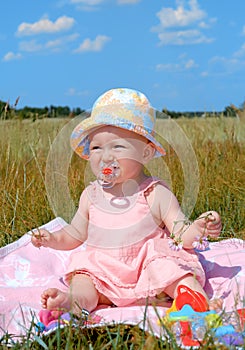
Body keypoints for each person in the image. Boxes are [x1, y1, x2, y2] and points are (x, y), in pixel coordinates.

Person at [31, 88, 222, 315]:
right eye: (96, 147)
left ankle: (193, 299)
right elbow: (75, 233)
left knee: (173, 268)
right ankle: (72, 301)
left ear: (145, 154)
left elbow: (181, 233)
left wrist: (198, 228)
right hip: (103, 272)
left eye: (117, 146)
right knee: (83, 276)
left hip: (148, 271)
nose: (105, 156)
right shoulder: (90, 195)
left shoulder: (155, 193)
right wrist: (52, 239)